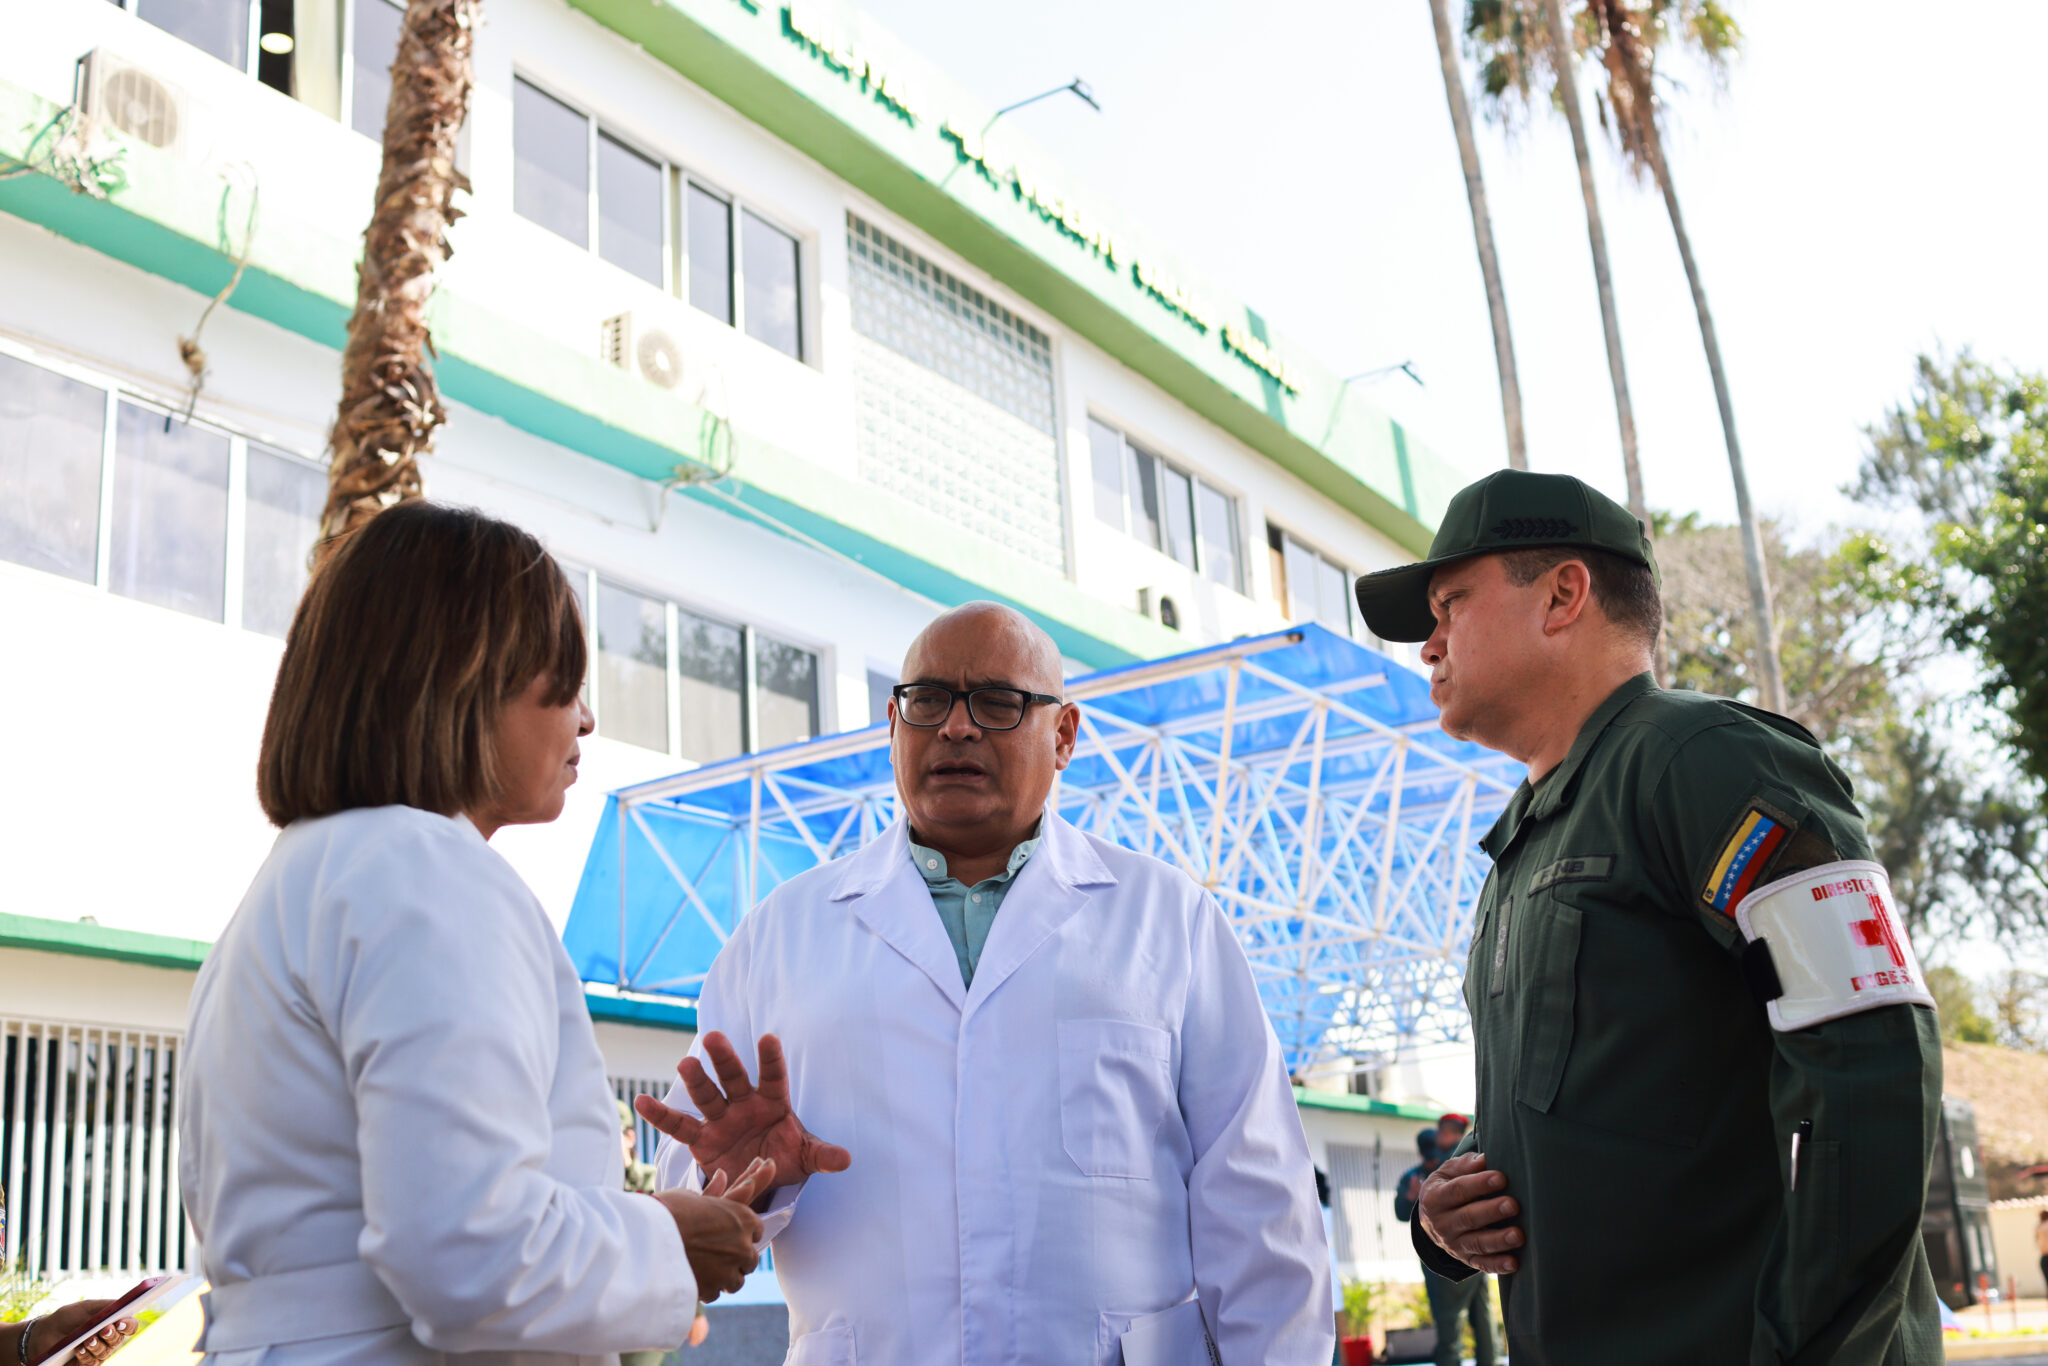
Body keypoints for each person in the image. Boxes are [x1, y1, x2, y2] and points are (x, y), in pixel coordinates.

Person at [636, 601, 1333, 1364]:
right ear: (894, 724)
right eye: (927, 700)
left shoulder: (1169, 921)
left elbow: (1263, 1207)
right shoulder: (778, 936)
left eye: (998, 703)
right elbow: (693, 1200)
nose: (956, 728)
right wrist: (747, 1185)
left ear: (1063, 735)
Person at [1352, 470, 1944, 1364]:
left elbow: (1871, 1057)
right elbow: (1595, 1099)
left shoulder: (1704, 762)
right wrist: (1446, 1221)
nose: (1428, 647)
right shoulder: (1522, 848)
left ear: (1562, 595)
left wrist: (1809, 1349)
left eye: (1451, 605)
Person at [178, 502, 772, 1365]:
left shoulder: (299, 879)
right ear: (463, 678)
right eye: (563, 680)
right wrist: (665, 1237)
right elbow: (474, 1254)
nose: (587, 719)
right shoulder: (424, 869)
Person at [1392, 1116, 1494, 1366]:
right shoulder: (1419, 1175)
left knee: (1461, 1322)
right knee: (1480, 1319)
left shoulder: (1455, 1163)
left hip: (1453, 1259)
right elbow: (1401, 1212)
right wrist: (1412, 1197)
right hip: (1463, 1255)